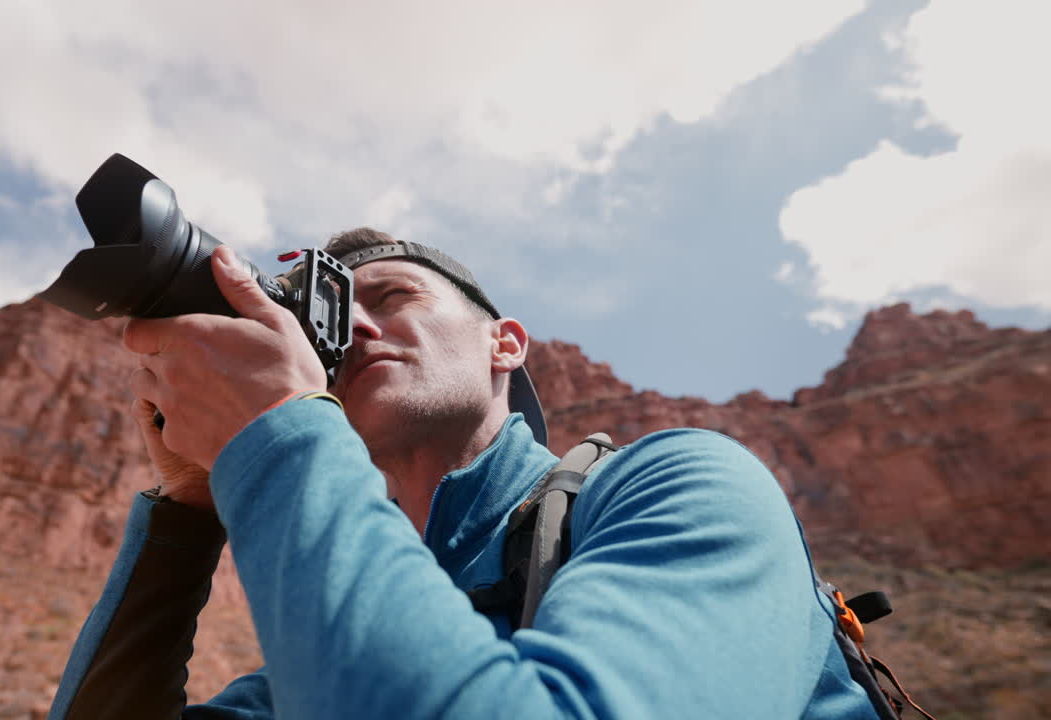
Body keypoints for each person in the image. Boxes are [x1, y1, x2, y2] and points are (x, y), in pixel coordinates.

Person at [48, 228, 880, 719]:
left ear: (503, 344)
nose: (359, 330)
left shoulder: (679, 482)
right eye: (335, 320)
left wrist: (278, 431)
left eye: (394, 297)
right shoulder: (340, 647)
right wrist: (189, 515)